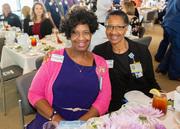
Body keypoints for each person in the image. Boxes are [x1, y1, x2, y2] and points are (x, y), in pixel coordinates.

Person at [28, 8, 111, 129]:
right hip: (51, 117)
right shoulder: (53, 58)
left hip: (87, 120)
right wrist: (59, 121)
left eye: (85, 32)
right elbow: (34, 93)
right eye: (75, 32)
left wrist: (79, 124)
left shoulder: (100, 63)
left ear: (91, 33)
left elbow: (104, 99)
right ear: (69, 34)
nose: (81, 38)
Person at [92, 10, 161, 112]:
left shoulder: (141, 50)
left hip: (142, 104)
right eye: (109, 26)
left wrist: (161, 97)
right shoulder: (99, 52)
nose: (113, 32)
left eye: (119, 27)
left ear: (126, 29)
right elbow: (94, 84)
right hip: (115, 107)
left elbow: (150, 80)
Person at [156, 0, 180, 81]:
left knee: (173, 47)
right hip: (175, 25)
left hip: (167, 24)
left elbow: (166, 9)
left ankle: (162, 67)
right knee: (178, 50)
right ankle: (175, 74)